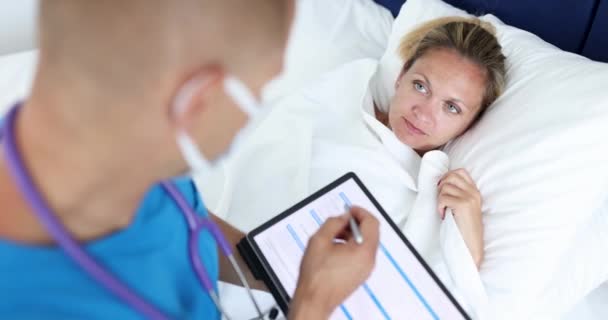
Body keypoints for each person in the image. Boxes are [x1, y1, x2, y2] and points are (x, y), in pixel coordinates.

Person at [0, 1, 380, 319]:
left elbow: (190, 221)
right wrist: (312, 305)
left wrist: (282, 268)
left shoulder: (127, 136)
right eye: (260, 90)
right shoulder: (36, 303)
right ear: (195, 102)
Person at [374, 17, 507, 267]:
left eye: (451, 107)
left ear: (470, 124)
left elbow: (453, 290)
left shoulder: (437, 201)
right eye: (421, 86)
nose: (423, 113)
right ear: (401, 75)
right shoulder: (344, 99)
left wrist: (470, 235)